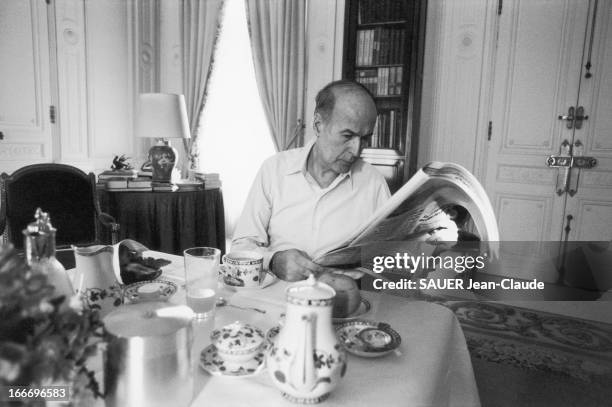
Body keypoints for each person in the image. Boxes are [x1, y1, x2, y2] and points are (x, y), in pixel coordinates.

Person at [232, 80, 391, 281]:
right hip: (276, 298)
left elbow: (388, 260)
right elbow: (241, 247)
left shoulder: (374, 183)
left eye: (365, 138)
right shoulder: (274, 170)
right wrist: (274, 261)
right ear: (318, 125)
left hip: (344, 301)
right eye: (347, 135)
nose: (357, 150)